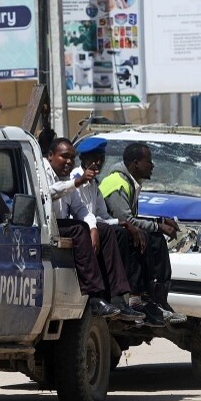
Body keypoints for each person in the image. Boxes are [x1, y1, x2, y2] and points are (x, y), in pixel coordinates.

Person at [44, 138, 143, 321]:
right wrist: (77, 182)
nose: (68, 162)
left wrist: (94, 228)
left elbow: (82, 209)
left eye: (71, 158)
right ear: (50, 156)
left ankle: (118, 296)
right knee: (81, 229)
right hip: (47, 226)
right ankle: (94, 296)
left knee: (106, 230)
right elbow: (50, 193)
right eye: (64, 156)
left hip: (65, 225)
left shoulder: (84, 181)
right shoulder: (45, 172)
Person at [100, 142, 187, 326]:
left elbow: (133, 218)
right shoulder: (117, 183)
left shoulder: (129, 181)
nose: (152, 166)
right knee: (145, 236)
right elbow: (126, 219)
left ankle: (157, 300)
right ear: (135, 163)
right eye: (149, 161)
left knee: (154, 238)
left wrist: (160, 222)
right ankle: (137, 300)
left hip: (118, 231)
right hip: (110, 237)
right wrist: (157, 226)